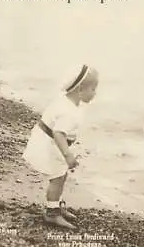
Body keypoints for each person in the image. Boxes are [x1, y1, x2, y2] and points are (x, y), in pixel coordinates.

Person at [22, 65, 99, 229]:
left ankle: (56, 205)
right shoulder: (68, 111)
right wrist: (67, 154)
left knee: (61, 175)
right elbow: (58, 133)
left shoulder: (68, 103)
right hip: (50, 144)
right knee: (57, 179)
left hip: (51, 142)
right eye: (93, 89)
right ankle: (52, 213)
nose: (95, 93)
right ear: (79, 90)